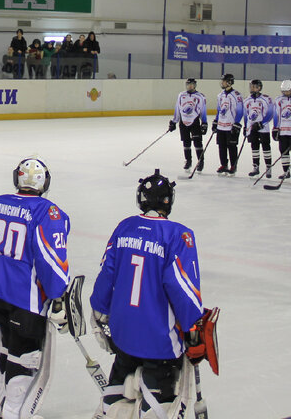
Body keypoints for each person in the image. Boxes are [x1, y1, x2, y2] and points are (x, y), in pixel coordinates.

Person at [90, 171, 213, 418]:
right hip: (160, 342)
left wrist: (100, 312)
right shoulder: (179, 235)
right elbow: (182, 287)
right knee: (160, 406)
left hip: (123, 335)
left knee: (115, 401)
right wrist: (194, 328)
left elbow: (107, 275)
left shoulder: (124, 227)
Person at [0, 158, 71, 419]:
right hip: (24, 297)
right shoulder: (48, 211)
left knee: (7, 344)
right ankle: (13, 412)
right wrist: (57, 296)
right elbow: (50, 259)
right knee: (25, 353)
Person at [169, 78, 207, 175]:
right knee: (186, 143)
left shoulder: (200, 96)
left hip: (194, 122)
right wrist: (174, 121)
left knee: (197, 143)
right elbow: (177, 109)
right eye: (188, 84)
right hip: (183, 122)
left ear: (195, 85)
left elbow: (203, 110)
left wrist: (204, 122)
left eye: (192, 84)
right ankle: (188, 161)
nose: (190, 86)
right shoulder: (181, 95)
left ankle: (200, 161)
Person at [213, 74, 244, 175]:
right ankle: (223, 164)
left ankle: (233, 166)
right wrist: (216, 121)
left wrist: (236, 123)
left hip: (231, 126)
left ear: (229, 82)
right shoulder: (220, 95)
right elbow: (219, 110)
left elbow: (240, 111)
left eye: (224, 81)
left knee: (232, 146)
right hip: (221, 125)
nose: (222, 83)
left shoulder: (237, 95)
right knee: (221, 146)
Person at [243, 79, 275, 178]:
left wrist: (262, 123)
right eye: (251, 86)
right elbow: (246, 114)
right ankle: (256, 167)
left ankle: (268, 167)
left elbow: (270, 113)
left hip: (263, 128)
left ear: (259, 88)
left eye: (254, 86)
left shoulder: (266, 99)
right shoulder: (247, 100)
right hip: (252, 128)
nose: (251, 88)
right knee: (254, 146)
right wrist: (246, 126)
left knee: (266, 147)